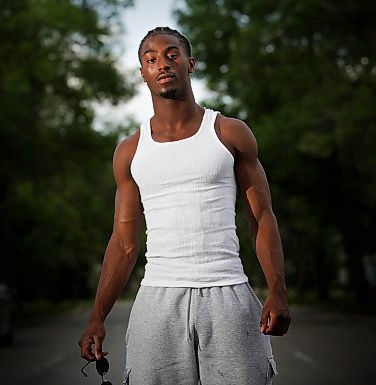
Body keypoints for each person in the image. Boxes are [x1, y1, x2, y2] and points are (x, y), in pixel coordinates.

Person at [78, 27, 291, 385]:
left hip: (228, 294)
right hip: (157, 301)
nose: (162, 63)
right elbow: (124, 243)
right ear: (143, 73)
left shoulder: (229, 132)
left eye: (172, 54)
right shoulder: (130, 151)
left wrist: (278, 292)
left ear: (189, 63)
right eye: (151, 59)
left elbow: (261, 217)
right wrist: (97, 317)